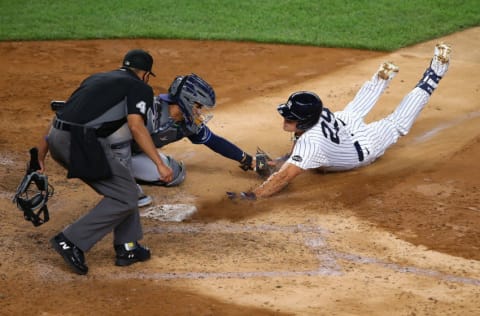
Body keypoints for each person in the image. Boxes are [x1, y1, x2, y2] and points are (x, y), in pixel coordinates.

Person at [231, 43, 451, 199]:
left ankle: (434, 73)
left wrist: (252, 196)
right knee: (353, 110)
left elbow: (283, 178)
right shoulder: (318, 112)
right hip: (342, 126)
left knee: (395, 124)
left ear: (305, 121)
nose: (285, 119)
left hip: (364, 147)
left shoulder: (311, 145)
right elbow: (297, 143)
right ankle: (381, 78)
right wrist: (282, 159)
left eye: (291, 118)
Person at [37, 49, 173, 275]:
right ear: (146, 74)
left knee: (126, 187)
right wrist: (159, 163)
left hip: (56, 138)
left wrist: (41, 151)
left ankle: (128, 247)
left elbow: (63, 115)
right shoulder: (140, 87)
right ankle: (71, 240)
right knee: (127, 196)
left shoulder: (96, 79)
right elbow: (136, 126)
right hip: (80, 143)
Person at [128, 73, 255, 189]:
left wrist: (248, 160)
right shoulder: (150, 110)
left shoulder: (187, 123)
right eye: (198, 106)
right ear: (186, 101)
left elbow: (213, 141)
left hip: (134, 154)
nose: (199, 111)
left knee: (175, 173)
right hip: (116, 153)